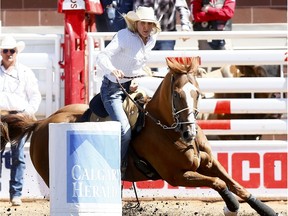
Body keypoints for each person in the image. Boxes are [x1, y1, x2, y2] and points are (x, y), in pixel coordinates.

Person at [95, 6, 161, 174]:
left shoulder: (151, 40)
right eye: (143, 23)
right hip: (111, 90)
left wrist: (136, 76)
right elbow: (102, 55)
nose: (146, 27)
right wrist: (112, 70)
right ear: (136, 23)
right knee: (124, 129)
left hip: (128, 86)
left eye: (149, 24)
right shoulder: (124, 36)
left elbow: (136, 62)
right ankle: (118, 168)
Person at [0, 35, 41, 206]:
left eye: (12, 51)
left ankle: (16, 194)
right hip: (0, 117)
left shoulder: (25, 72)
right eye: (6, 50)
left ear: (17, 52)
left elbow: (35, 96)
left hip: (18, 118)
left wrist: (27, 114)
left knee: (18, 156)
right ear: (1, 52)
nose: (9, 53)